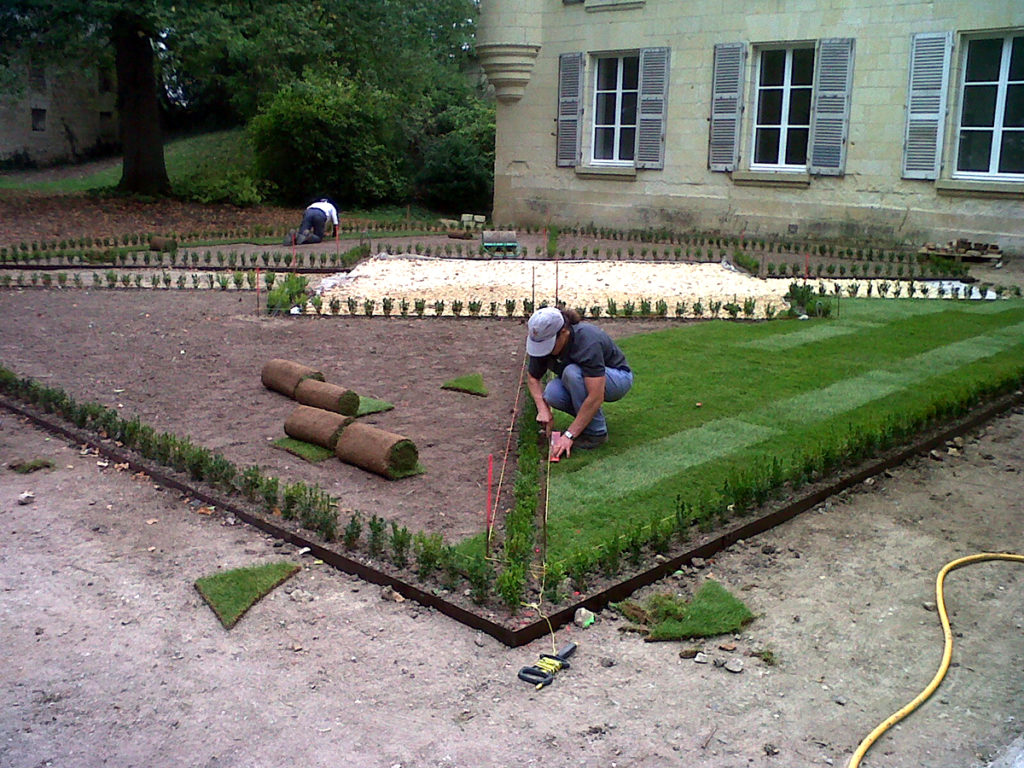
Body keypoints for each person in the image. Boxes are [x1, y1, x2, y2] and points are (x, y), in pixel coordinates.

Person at [525, 306, 633, 459]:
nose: (544, 351)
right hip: (583, 378)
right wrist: (543, 410)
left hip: (617, 378)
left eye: (548, 345)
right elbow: (532, 378)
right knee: (552, 393)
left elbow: (596, 396)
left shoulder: (587, 341)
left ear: (564, 333)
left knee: (572, 373)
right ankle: (588, 422)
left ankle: (596, 434)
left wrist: (568, 435)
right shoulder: (544, 339)